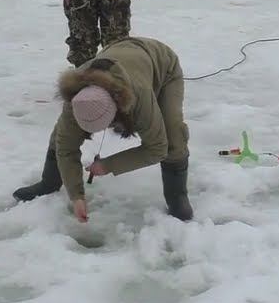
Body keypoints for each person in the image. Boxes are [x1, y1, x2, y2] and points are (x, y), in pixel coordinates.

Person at [13, 37, 193, 222]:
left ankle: (177, 197)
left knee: (173, 134)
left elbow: (157, 149)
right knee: (62, 133)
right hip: (119, 51)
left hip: (162, 64)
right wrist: (76, 196)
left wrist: (108, 165)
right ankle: (49, 182)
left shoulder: (139, 95)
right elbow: (66, 147)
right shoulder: (76, 96)